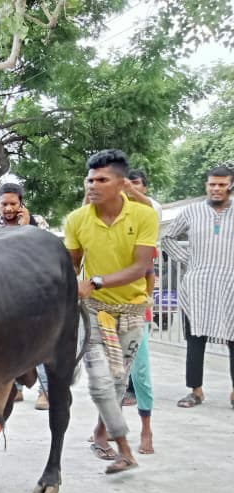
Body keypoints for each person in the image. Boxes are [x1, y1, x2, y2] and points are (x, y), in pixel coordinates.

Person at [64, 149, 157, 474]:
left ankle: (100, 435)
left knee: (117, 384)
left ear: (120, 184)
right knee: (101, 383)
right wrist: (71, 285)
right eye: (89, 179)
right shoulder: (76, 220)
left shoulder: (144, 216)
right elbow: (72, 265)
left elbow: (142, 266)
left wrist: (96, 280)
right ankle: (125, 449)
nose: (93, 185)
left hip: (132, 310)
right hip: (94, 311)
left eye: (102, 179)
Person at [161, 165, 234, 410]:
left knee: (233, 340)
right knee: (195, 339)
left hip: (230, 284)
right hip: (197, 285)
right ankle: (196, 391)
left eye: (222, 184)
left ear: (230, 186)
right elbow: (168, 237)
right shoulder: (191, 211)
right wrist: (188, 259)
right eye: (212, 184)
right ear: (206, 185)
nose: (216, 189)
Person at [0, 183, 50, 408]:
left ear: (21, 203)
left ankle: (47, 392)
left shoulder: (37, 223)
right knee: (10, 345)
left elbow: (44, 252)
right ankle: (15, 389)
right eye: (4, 204)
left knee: (38, 345)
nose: (8, 208)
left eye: (13, 203)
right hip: (7, 295)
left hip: (34, 293)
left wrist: (26, 226)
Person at [120, 168, 160, 454]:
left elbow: (148, 271)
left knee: (140, 370)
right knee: (109, 373)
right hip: (105, 307)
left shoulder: (147, 218)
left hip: (135, 306)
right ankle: (107, 427)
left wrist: (147, 301)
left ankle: (147, 428)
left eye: (135, 185)